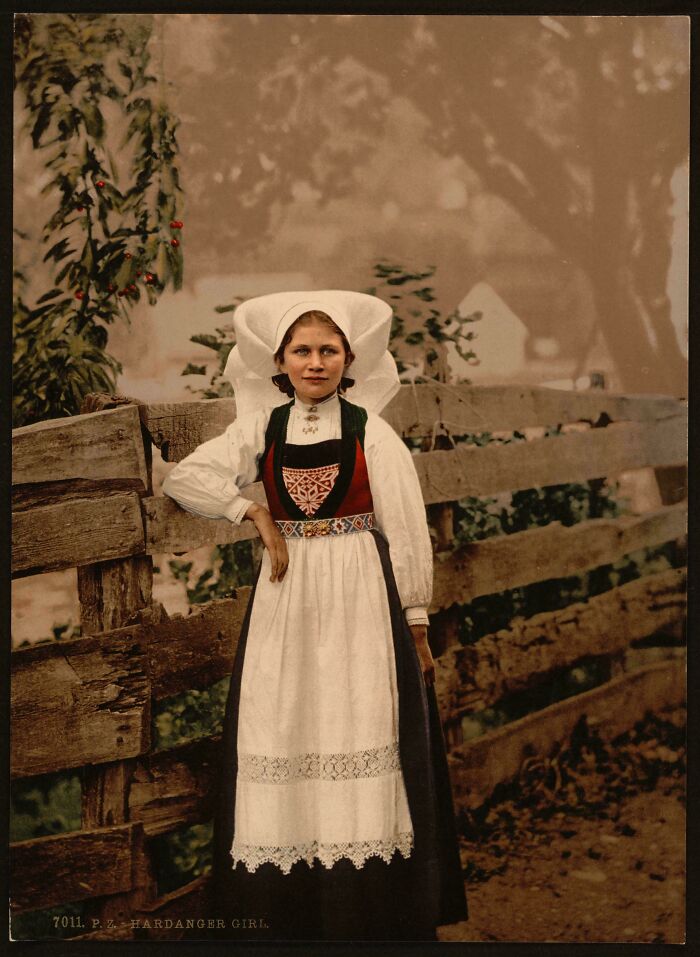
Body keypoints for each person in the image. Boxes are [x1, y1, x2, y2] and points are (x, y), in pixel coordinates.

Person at [161, 290, 468, 941]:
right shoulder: (262, 428)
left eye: (329, 350)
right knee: (288, 718)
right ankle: (290, 904)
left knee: (358, 714)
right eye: (301, 350)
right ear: (279, 360)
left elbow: (405, 527)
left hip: (361, 600)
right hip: (288, 597)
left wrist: (415, 620)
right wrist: (252, 511)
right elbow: (184, 478)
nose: (315, 362)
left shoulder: (369, 430)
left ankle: (365, 901)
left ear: (349, 359)